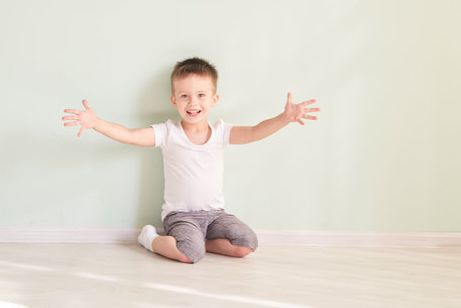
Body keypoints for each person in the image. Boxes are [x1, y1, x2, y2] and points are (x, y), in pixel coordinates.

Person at [62, 57, 320, 263]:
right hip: (180, 215)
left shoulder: (221, 132)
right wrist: (95, 123)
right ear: (174, 101)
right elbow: (130, 135)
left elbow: (254, 132)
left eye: (200, 95)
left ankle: (199, 240)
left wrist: (284, 118)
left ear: (213, 100)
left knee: (246, 244)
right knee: (190, 254)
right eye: (184, 96)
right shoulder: (168, 133)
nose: (192, 102)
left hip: (215, 215)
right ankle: (150, 239)